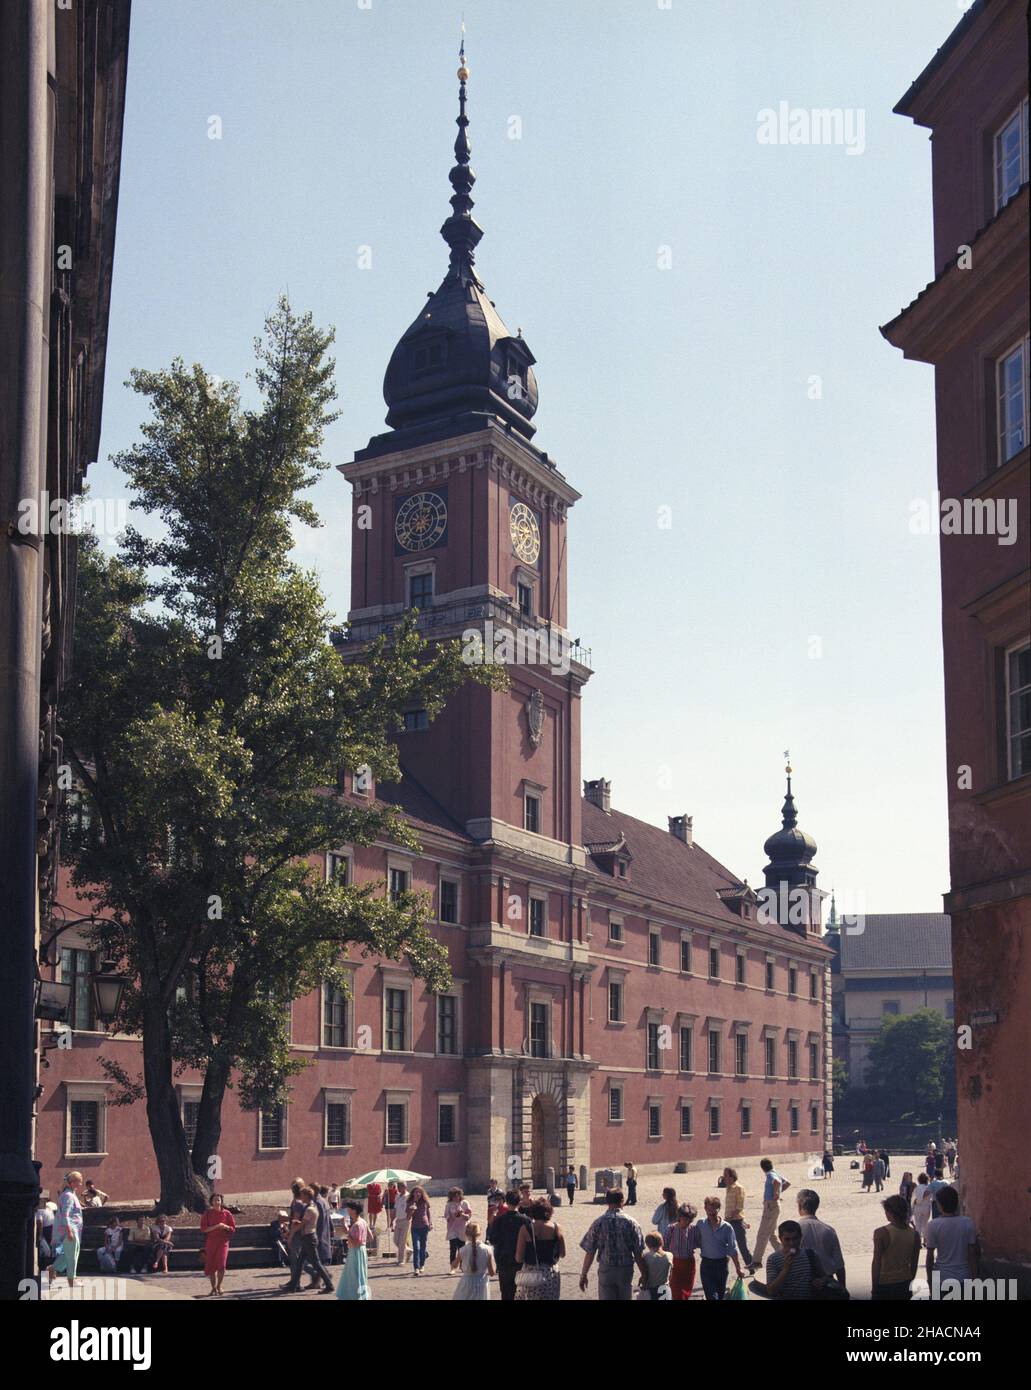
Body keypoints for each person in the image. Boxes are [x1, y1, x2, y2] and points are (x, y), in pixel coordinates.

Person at [579, 1187, 646, 1301]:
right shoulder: (632, 1223)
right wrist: (644, 1274)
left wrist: (584, 1274)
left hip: (606, 1269)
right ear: (622, 1201)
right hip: (625, 1269)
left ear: (607, 1202)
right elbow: (638, 1253)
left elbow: (590, 1251)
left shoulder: (598, 1222)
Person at [755, 1220, 829, 1300]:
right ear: (780, 1239)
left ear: (801, 1237)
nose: (792, 1243)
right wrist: (785, 1270)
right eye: (787, 1239)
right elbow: (770, 1290)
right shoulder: (773, 1259)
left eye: (795, 1238)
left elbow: (825, 1276)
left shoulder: (811, 1255)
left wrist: (820, 1281)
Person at [925, 1186, 978, 1295]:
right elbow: (972, 1255)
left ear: (940, 1205)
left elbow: (930, 1257)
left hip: (941, 1278)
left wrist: (930, 1280)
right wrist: (975, 1279)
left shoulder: (933, 1225)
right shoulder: (968, 1223)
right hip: (963, 1276)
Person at [283, 1186, 334, 1293]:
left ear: (306, 1196)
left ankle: (329, 1285)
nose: (301, 1197)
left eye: (302, 1195)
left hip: (309, 1238)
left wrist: (292, 1229)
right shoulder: (311, 1206)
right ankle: (293, 1286)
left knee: (316, 1263)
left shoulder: (310, 1209)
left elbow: (303, 1224)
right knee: (300, 1263)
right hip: (308, 1238)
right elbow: (305, 1223)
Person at [796, 1189, 847, 1292]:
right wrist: (843, 1288)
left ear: (799, 1207)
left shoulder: (794, 1230)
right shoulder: (829, 1230)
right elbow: (839, 1265)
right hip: (826, 1283)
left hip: (800, 1282)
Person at [872, 1195, 921, 1300]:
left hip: (885, 1282)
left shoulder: (881, 1233)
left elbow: (877, 1262)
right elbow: (914, 1263)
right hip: (904, 1281)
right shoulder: (915, 1235)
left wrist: (875, 1287)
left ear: (890, 1213)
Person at [693, 1196, 743, 1300]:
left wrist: (738, 1268)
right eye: (708, 1208)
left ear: (719, 1209)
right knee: (712, 1297)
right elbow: (694, 1241)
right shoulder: (700, 1224)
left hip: (722, 1266)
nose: (711, 1211)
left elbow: (733, 1249)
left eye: (714, 1208)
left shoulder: (727, 1227)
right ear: (705, 1208)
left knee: (720, 1296)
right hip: (706, 1265)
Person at [515, 1198, 565, 1301]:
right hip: (550, 1274)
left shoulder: (525, 1229)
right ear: (549, 1212)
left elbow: (518, 1258)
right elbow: (563, 1253)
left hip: (531, 1274)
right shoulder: (556, 1228)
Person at [490, 1190, 530, 1300]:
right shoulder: (525, 1220)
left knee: (506, 1292)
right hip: (521, 1261)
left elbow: (493, 1240)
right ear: (519, 1202)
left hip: (503, 1261)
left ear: (506, 1202)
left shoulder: (499, 1220)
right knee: (520, 1293)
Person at [749, 1158, 786, 1270]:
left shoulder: (770, 1175)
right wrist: (778, 1192)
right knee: (771, 1235)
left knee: (762, 1234)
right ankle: (785, 1256)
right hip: (774, 1206)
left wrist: (776, 1194)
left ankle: (756, 1261)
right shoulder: (775, 1173)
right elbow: (786, 1183)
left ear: (762, 1168)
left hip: (770, 1206)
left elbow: (777, 1182)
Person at [52, 1171, 85, 1288]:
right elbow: (65, 1214)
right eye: (78, 1181)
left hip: (73, 1229)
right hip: (71, 1229)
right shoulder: (68, 1196)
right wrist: (69, 1230)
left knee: (69, 1254)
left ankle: (52, 1269)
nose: (80, 1184)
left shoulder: (70, 1195)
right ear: (72, 1182)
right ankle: (72, 1279)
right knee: (72, 1256)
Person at [200, 1192, 235, 1296]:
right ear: (211, 1202)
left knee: (222, 1265)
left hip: (223, 1242)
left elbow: (232, 1229)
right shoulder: (207, 1214)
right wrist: (216, 1226)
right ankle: (213, 1288)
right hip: (211, 1242)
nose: (216, 1202)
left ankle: (219, 1285)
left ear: (221, 1201)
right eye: (214, 1200)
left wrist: (225, 1226)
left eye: (218, 1200)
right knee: (211, 1265)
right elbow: (204, 1229)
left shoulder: (227, 1214)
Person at [333, 1200, 368, 1299]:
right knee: (358, 1274)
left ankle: (354, 1296)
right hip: (360, 1251)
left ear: (353, 1210)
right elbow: (369, 1236)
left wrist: (347, 1233)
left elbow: (356, 1242)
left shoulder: (357, 1224)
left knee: (354, 1275)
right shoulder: (362, 1221)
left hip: (355, 1251)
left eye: (349, 1208)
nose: (347, 1210)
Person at [452, 1221, 495, 1300]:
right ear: (480, 1233)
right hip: (482, 1282)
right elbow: (492, 1272)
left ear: (466, 1234)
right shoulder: (487, 1249)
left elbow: (454, 1265)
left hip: (467, 1281)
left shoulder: (463, 1250)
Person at [663, 1203, 698, 1300]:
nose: (687, 1222)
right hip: (674, 1265)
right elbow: (664, 1247)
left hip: (688, 1265)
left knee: (686, 1292)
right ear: (679, 1217)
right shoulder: (671, 1229)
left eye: (690, 1219)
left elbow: (698, 1243)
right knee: (675, 1292)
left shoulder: (694, 1229)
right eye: (685, 1218)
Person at [722, 1168, 753, 1267]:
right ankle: (722, 1266)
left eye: (726, 1175)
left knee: (742, 1247)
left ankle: (752, 1266)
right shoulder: (728, 1188)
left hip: (736, 1222)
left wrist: (729, 1218)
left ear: (732, 1177)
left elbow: (739, 1207)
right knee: (724, 1245)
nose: (724, 1178)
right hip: (728, 1221)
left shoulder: (738, 1188)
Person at [406, 1185, 433, 1277]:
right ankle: (416, 1268)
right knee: (416, 1248)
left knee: (423, 1247)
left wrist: (430, 1223)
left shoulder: (425, 1202)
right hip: (415, 1228)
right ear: (413, 1193)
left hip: (424, 1226)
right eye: (416, 1192)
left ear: (422, 1194)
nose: (418, 1194)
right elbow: (408, 1218)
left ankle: (422, 1265)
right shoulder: (409, 1202)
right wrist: (412, 1210)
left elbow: (428, 1212)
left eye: (419, 1192)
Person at [638, 1232, 673, 1300]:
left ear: (647, 1245)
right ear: (662, 1242)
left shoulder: (646, 1257)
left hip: (652, 1289)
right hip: (665, 1288)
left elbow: (645, 1273)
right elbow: (671, 1273)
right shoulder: (670, 1255)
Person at [444, 1188, 473, 1267]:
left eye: (458, 1195)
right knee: (453, 1249)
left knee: (462, 1249)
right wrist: (454, 1215)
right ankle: (452, 1267)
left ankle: (462, 1265)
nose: (456, 1197)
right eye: (454, 1196)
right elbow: (447, 1217)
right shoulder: (449, 1205)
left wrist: (462, 1214)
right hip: (452, 1229)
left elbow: (469, 1216)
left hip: (462, 1228)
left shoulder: (465, 1203)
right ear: (451, 1196)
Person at [911, 1172, 934, 1245]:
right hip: (926, 1207)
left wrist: (915, 1203)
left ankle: (918, 1241)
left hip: (918, 1207)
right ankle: (925, 1241)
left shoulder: (917, 1187)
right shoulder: (929, 1187)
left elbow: (914, 1197)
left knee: (918, 1224)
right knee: (925, 1224)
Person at [392, 1181, 410, 1265]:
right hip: (398, 1220)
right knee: (396, 1240)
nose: (398, 1189)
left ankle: (401, 1260)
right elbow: (395, 1208)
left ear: (404, 1187)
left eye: (400, 1187)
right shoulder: (397, 1196)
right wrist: (392, 1219)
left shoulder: (408, 1196)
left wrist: (409, 1217)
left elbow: (411, 1208)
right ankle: (409, 1250)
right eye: (397, 1187)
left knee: (402, 1241)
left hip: (406, 1220)